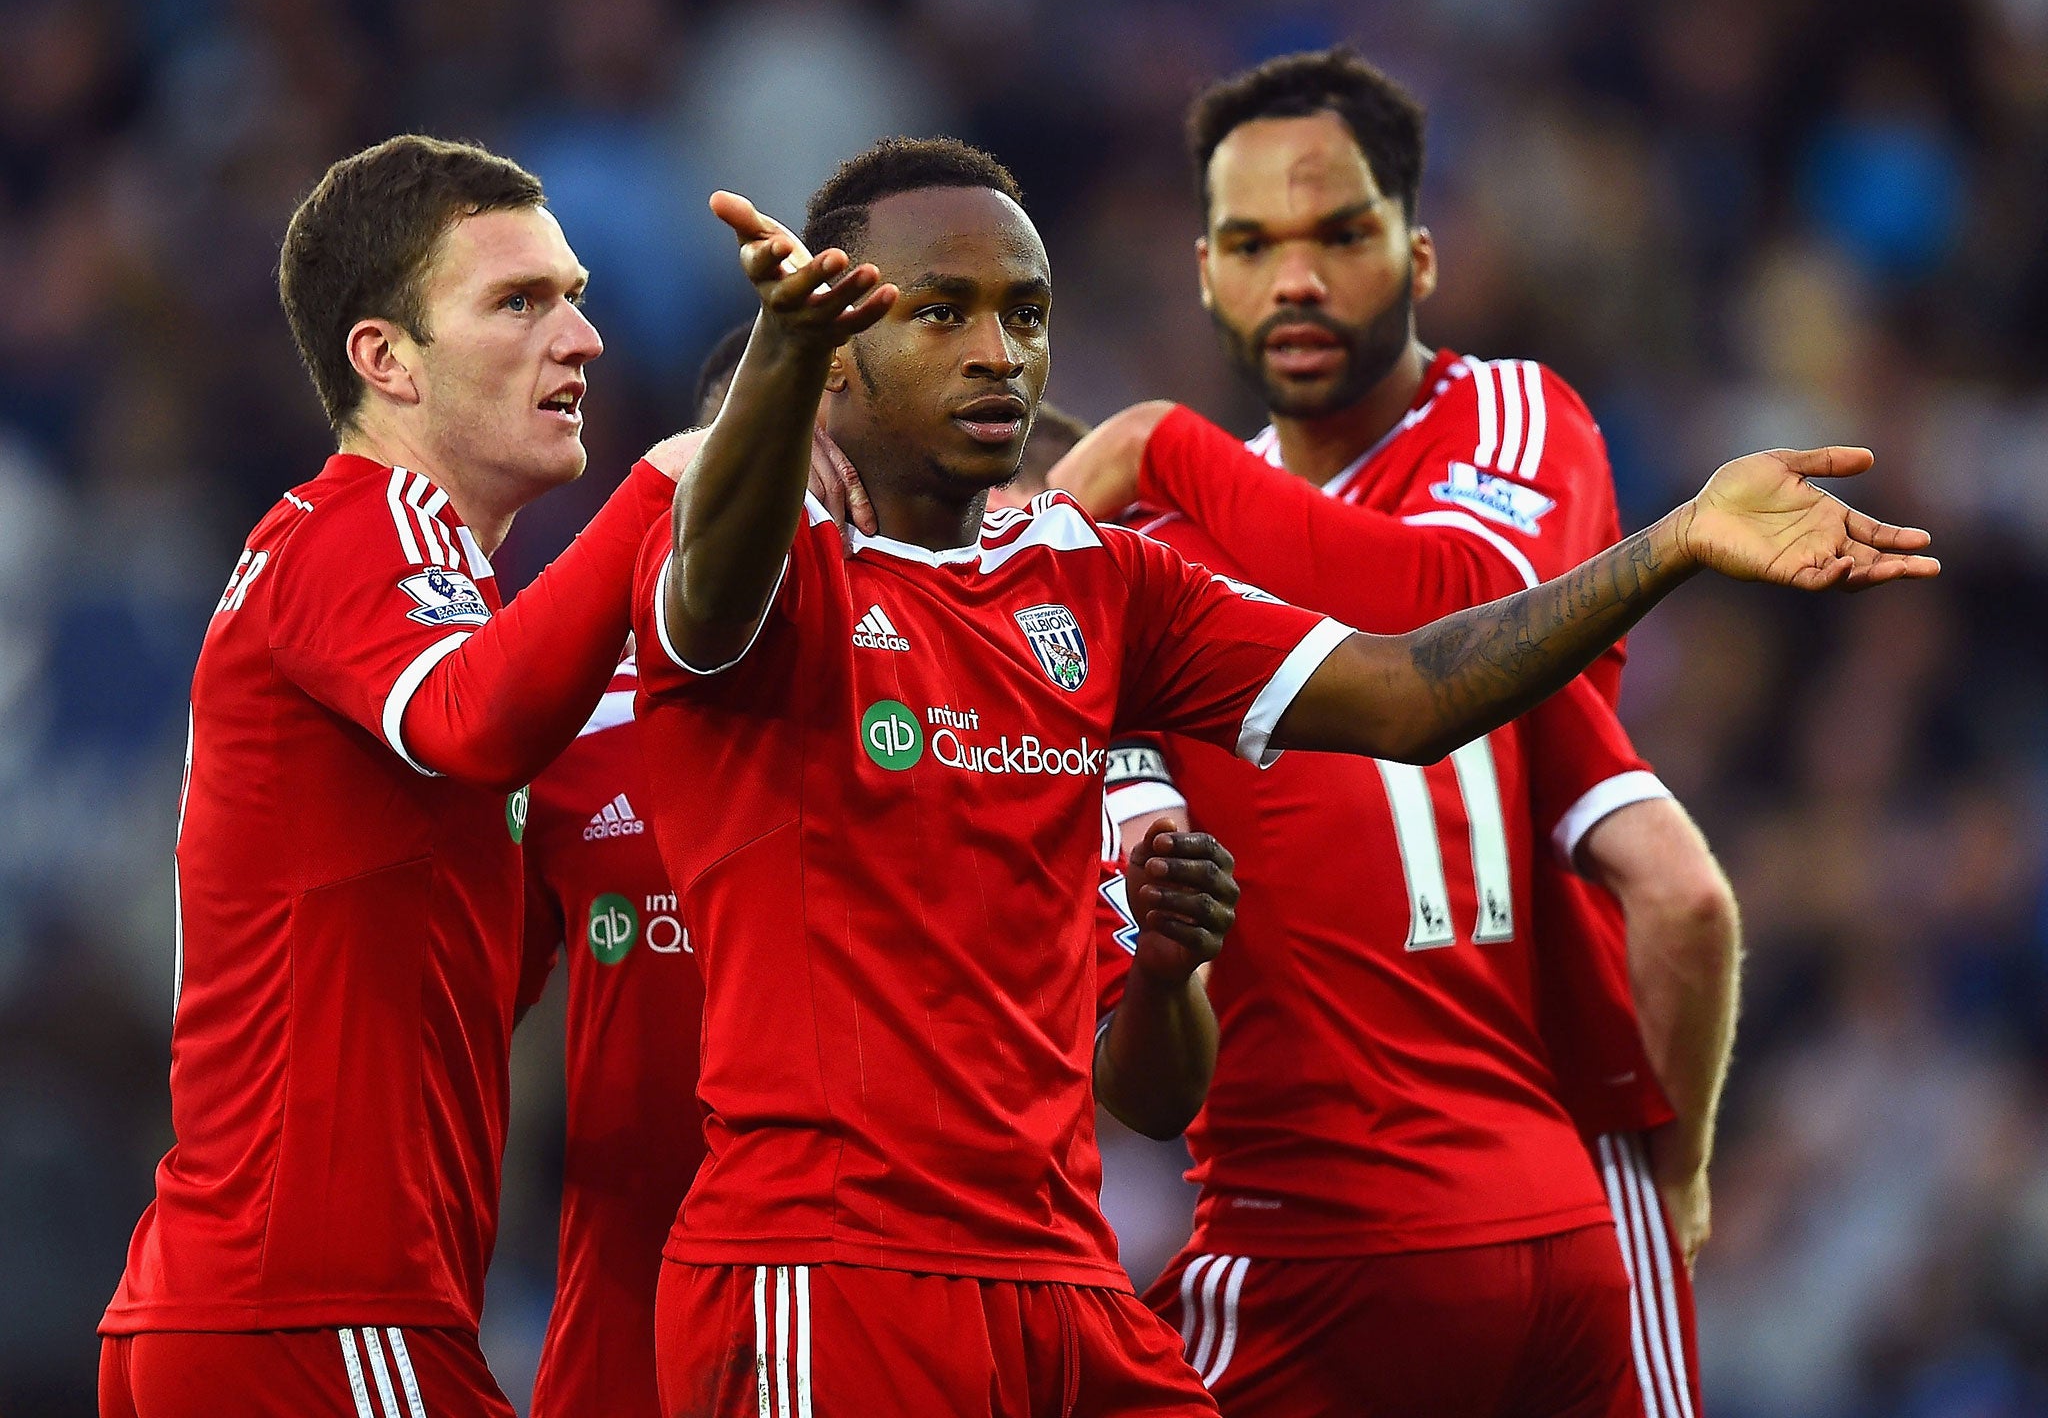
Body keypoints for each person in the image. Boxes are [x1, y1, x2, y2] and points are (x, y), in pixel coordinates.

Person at [632, 134, 1930, 1415]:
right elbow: (713, 576)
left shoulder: (1103, 583)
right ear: (837, 358)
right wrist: (782, 368)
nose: (999, 352)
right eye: (942, 311)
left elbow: (1416, 690)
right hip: (835, 1272)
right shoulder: (781, 591)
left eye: (1026, 313)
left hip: (1058, 1283)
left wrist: (1677, 540)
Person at [1051, 47, 1739, 1417]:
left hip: (1418, 1196)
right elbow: (1684, 896)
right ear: (1203, 271)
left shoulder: (1510, 419)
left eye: (1339, 235)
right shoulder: (1173, 540)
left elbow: (1460, 623)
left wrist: (1159, 446)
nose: (1294, 280)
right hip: (1527, 1207)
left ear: (1421, 257)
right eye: (1251, 244)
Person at [513, 352, 1239, 1418]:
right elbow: (462, 1034)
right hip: (663, 1341)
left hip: (944, 1308)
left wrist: (1172, 973)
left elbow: (1148, 1085)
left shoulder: (1006, 754)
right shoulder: (571, 720)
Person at [96, 135, 697, 1418]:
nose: (582, 338)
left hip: (256, 1304)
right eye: (519, 302)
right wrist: (664, 486)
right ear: (386, 361)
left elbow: (488, 951)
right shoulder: (369, 525)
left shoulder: (418, 589)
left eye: (576, 295)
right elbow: (481, 721)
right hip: (318, 1308)